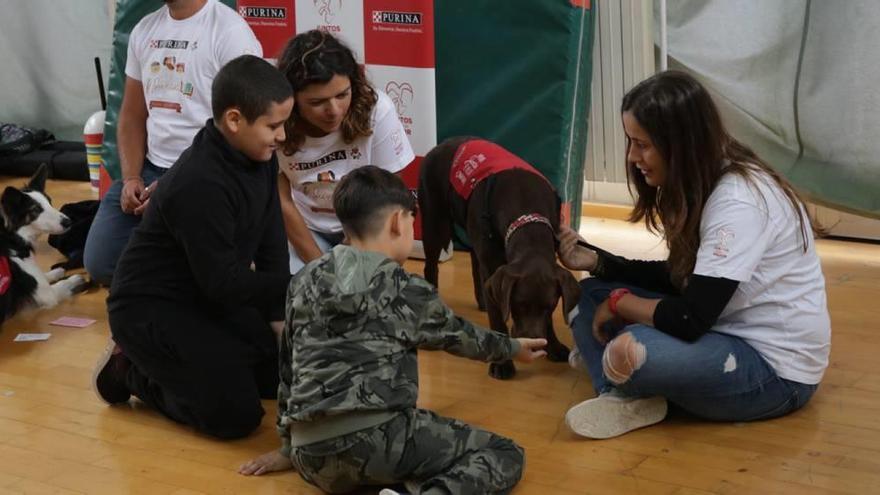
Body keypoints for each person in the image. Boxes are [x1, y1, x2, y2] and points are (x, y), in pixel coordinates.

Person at [557, 70, 831, 439]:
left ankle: (618, 380)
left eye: (642, 144)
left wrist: (622, 304)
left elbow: (691, 317)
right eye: (630, 142)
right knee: (589, 292)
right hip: (719, 329)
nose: (632, 156)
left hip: (775, 372)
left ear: (679, 144)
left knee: (629, 349)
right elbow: (680, 277)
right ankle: (621, 392)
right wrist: (599, 262)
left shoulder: (738, 201)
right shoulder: (702, 177)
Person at [239, 166, 546, 494]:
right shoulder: (404, 286)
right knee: (504, 453)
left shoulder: (302, 281)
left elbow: (288, 369)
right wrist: (512, 348)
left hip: (310, 459)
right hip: (379, 444)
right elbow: (460, 336)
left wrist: (289, 446)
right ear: (398, 222)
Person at [92, 55, 294, 440]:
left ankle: (202, 365)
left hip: (205, 295)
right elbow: (223, 283)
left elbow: (271, 244)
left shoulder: (260, 155)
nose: (282, 136)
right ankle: (130, 370)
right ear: (235, 120)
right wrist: (300, 286)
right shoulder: (199, 183)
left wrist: (280, 323)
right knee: (236, 416)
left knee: (278, 375)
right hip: (150, 308)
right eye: (274, 126)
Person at [83, 0, 262, 285]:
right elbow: (131, 116)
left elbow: (241, 129)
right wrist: (130, 178)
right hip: (151, 171)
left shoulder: (230, 31)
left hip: (208, 175)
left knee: (210, 267)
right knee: (101, 261)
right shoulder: (144, 28)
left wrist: (177, 185)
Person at [275, 30, 415, 273]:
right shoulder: (276, 119)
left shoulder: (377, 110)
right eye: (317, 102)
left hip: (366, 226)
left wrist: (361, 255)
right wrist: (321, 268)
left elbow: (389, 200)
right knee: (300, 289)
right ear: (292, 101)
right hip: (304, 227)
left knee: (367, 291)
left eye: (342, 95)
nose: (334, 110)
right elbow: (281, 199)